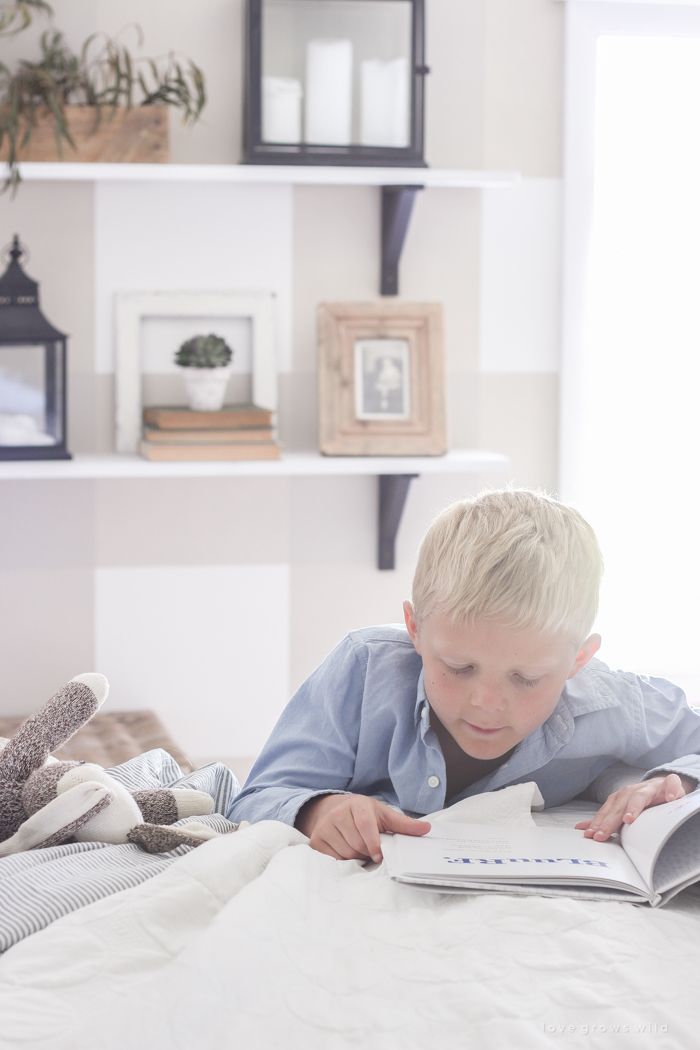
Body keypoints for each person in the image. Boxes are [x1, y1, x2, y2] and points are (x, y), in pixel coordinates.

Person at [228, 490, 700, 863]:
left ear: (579, 659)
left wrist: (675, 777)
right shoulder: (362, 669)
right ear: (415, 628)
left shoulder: (610, 702)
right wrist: (319, 809)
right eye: (458, 668)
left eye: (528, 677)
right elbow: (257, 796)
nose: (488, 702)